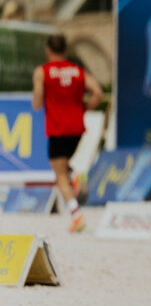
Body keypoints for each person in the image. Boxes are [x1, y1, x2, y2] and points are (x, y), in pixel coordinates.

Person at [32, 33, 104, 232]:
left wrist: (39, 99)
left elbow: (37, 102)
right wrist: (85, 109)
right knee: (65, 165)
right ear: (64, 50)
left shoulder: (42, 71)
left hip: (57, 128)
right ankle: (75, 175)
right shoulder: (78, 71)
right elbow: (98, 92)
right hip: (77, 128)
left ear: (48, 50)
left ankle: (76, 214)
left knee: (59, 174)